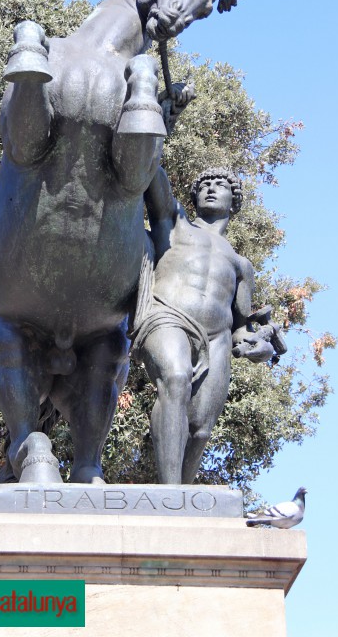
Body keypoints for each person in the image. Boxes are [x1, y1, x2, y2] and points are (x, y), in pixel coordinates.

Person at [132, 166, 284, 484]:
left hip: (217, 339)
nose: (211, 188)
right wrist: (154, 120)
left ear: (234, 202)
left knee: (200, 429)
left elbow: (241, 326)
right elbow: (154, 171)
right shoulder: (174, 224)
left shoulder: (241, 265)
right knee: (175, 378)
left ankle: (181, 499)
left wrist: (262, 346)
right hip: (167, 316)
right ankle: (170, 495)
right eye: (204, 184)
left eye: (220, 184)